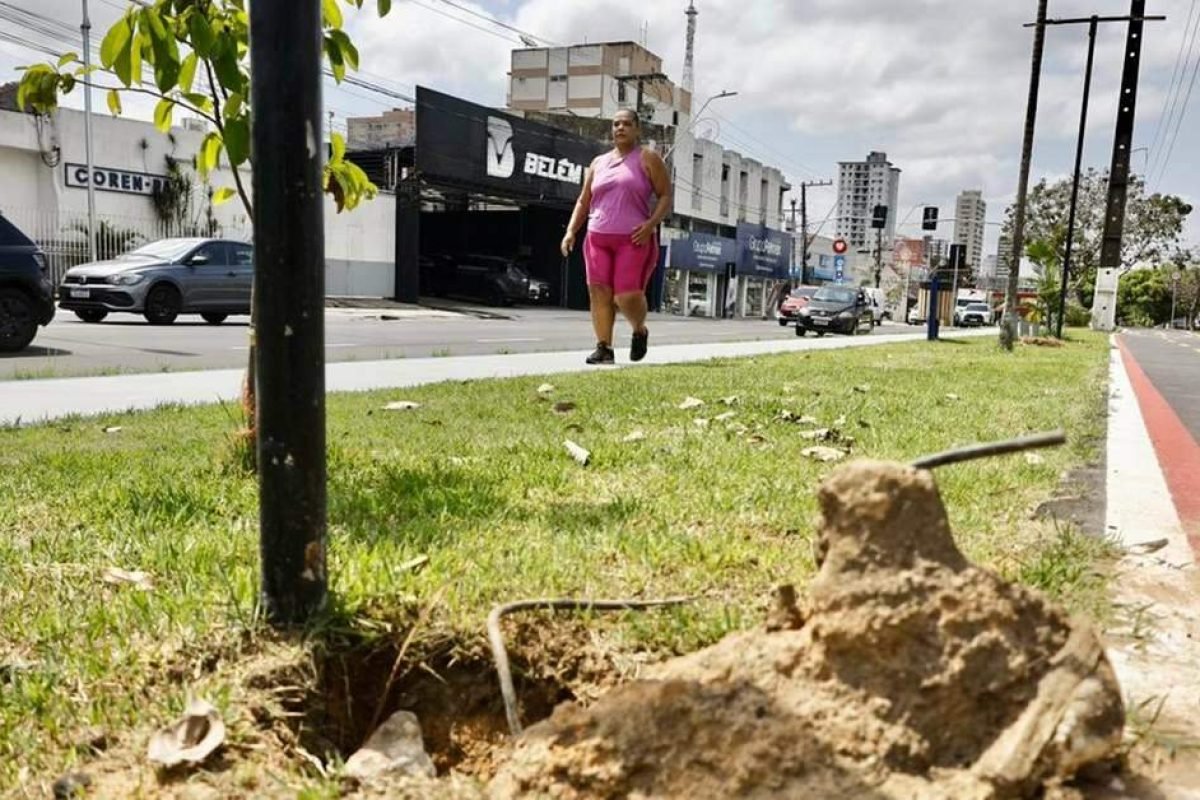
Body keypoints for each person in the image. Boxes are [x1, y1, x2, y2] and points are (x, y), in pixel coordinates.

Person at [561, 109, 672, 364]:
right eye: (616, 124)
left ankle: (639, 330)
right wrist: (570, 231)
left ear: (637, 129)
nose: (620, 128)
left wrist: (651, 224)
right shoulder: (598, 163)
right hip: (597, 237)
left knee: (625, 296)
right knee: (599, 292)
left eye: (626, 124)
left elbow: (665, 196)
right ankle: (604, 348)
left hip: (633, 239)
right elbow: (583, 200)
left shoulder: (648, 158)